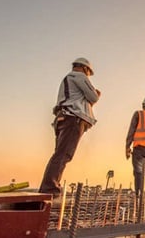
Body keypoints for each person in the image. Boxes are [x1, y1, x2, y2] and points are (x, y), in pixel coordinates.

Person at [39, 57, 101, 198]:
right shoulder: (79, 76)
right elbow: (93, 98)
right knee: (63, 155)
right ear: (86, 69)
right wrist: (97, 93)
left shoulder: (67, 80)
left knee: (59, 154)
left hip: (63, 117)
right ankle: (50, 189)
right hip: (73, 118)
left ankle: (49, 187)